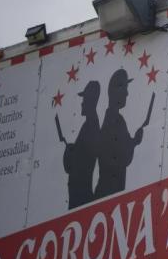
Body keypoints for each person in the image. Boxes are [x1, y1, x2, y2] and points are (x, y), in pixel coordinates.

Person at [94, 68, 146, 199]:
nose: (127, 93)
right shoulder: (113, 120)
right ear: (114, 91)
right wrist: (134, 142)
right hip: (107, 193)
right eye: (124, 88)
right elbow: (120, 158)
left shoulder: (117, 119)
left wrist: (135, 141)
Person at [62, 81, 101, 209]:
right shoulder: (89, 125)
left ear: (91, 100)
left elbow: (77, 165)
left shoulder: (91, 126)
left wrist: (70, 152)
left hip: (81, 198)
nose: (82, 103)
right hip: (78, 197)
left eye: (84, 99)